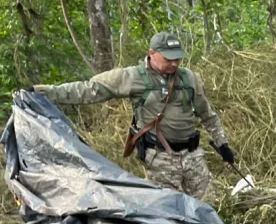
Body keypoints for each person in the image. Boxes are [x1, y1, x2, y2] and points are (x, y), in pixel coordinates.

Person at [34, 32, 235, 199]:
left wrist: (222, 144)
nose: (174, 64)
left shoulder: (190, 78)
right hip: (160, 160)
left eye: (177, 58)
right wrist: (45, 92)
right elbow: (90, 89)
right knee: (172, 213)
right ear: (152, 54)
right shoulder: (132, 77)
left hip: (192, 157)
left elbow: (208, 115)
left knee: (212, 206)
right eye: (168, 59)